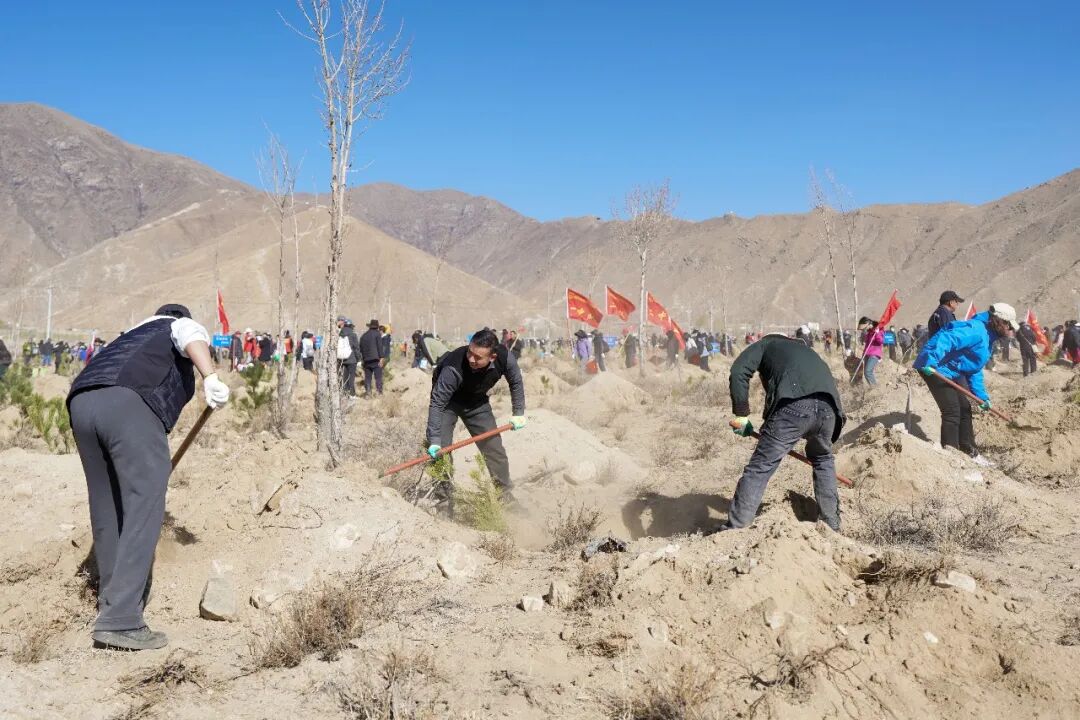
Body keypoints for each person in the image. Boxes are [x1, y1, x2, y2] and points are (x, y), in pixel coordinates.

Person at [66, 304, 230, 651]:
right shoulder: (176, 324)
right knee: (144, 503)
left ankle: (110, 604)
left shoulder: (129, 338)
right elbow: (190, 334)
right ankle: (122, 620)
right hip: (129, 403)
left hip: (82, 402)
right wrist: (210, 377)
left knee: (107, 506)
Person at [720, 334, 846, 532]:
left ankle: (736, 528)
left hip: (794, 407)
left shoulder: (766, 344)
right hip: (830, 410)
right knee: (823, 460)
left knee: (760, 467)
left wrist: (742, 415)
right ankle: (832, 526)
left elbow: (738, 371)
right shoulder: (807, 351)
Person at [425, 328, 527, 513]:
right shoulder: (453, 367)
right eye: (469, 353)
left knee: (495, 449)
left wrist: (518, 411)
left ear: (493, 357)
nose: (471, 359)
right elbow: (437, 403)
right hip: (448, 403)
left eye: (478, 357)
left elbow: (516, 382)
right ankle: (443, 502)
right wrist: (434, 440)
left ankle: (505, 496)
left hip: (476, 403)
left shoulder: (504, 357)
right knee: (441, 451)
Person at [914, 303, 1019, 466]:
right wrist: (931, 360)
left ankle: (969, 452)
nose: (1010, 330)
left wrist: (981, 397)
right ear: (999, 321)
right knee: (952, 410)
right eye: (1008, 325)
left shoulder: (988, 337)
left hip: (951, 370)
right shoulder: (976, 329)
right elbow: (948, 338)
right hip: (934, 367)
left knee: (965, 408)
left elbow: (974, 369)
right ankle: (951, 456)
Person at [359, 319, 386, 397]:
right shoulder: (377, 334)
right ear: (377, 327)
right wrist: (381, 358)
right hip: (376, 359)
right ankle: (379, 393)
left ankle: (368, 393)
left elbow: (361, 349)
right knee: (378, 377)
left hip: (366, 360)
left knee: (368, 378)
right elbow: (379, 347)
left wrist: (363, 359)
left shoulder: (363, 336)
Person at [336, 317, 360, 396]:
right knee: (351, 377)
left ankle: (344, 393)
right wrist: (358, 359)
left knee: (344, 377)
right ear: (351, 326)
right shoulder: (353, 334)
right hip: (352, 359)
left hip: (341, 359)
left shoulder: (339, 334)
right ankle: (352, 394)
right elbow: (356, 348)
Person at [857, 317, 884, 385]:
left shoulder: (879, 329)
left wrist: (877, 333)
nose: (864, 330)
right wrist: (863, 354)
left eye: (864, 328)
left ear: (868, 324)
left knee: (868, 372)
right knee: (866, 373)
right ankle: (871, 386)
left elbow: (881, 341)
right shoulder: (869, 332)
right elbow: (867, 345)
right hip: (867, 354)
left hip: (874, 354)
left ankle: (875, 388)